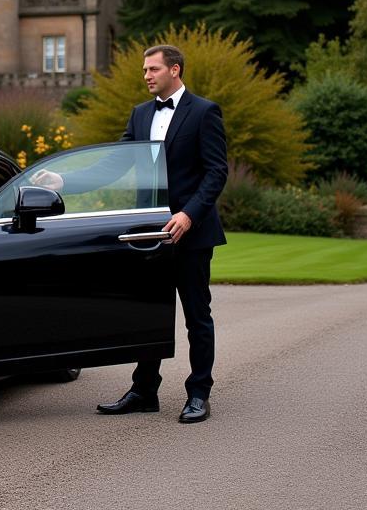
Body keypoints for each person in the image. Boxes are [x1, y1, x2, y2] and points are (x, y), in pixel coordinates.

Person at [34, 44, 228, 423]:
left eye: (153, 69)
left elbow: (216, 172)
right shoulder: (140, 115)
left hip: (192, 234)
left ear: (175, 69)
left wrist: (188, 215)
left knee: (196, 316)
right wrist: (64, 181)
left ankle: (199, 393)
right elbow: (114, 166)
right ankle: (144, 391)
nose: (146, 76)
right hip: (150, 234)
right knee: (147, 314)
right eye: (144, 70)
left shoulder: (205, 112)